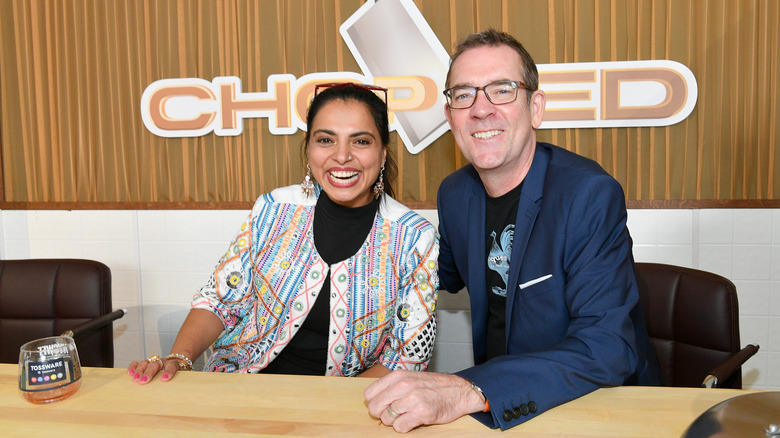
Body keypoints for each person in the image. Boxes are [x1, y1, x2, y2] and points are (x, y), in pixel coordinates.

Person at [364, 29, 660, 432]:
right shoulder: (455, 192)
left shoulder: (587, 194)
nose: (481, 109)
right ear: (451, 116)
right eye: (463, 94)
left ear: (535, 107)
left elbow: (608, 348)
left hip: (591, 405)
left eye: (501, 90)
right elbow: (434, 275)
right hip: (500, 409)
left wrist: (470, 388)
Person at [128, 83, 439, 383]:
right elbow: (220, 302)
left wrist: (329, 412)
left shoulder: (414, 238)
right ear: (308, 150)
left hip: (349, 405)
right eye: (326, 140)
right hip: (241, 388)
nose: (342, 156)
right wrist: (179, 358)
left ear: (382, 154)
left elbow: (406, 358)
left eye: (360, 141)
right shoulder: (273, 208)